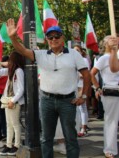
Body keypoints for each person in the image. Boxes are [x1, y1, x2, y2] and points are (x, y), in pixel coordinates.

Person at [6, 18, 90, 157]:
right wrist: (13, 38)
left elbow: (86, 75)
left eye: (57, 36)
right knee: (46, 138)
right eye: (50, 37)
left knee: (70, 137)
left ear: (62, 37)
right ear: (47, 40)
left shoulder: (74, 54)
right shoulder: (41, 54)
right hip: (46, 101)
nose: (54, 39)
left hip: (67, 101)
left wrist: (84, 96)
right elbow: (22, 50)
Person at [91, 35, 119, 158]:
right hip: (111, 92)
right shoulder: (103, 58)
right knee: (111, 121)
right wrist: (97, 87)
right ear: (106, 43)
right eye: (111, 39)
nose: (114, 40)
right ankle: (109, 149)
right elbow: (92, 74)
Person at [73, 44, 90, 137]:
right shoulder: (72, 60)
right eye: (74, 50)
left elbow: (86, 74)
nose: (76, 52)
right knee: (77, 109)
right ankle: (78, 127)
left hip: (82, 85)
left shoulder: (84, 60)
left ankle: (84, 128)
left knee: (82, 108)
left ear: (81, 51)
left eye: (77, 50)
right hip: (75, 86)